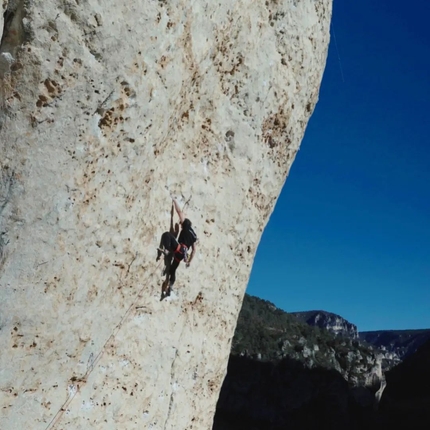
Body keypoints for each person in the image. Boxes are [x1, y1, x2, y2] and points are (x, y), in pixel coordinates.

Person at [156, 198, 198, 298]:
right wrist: (189, 261)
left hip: (178, 248)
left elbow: (179, 212)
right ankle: (170, 286)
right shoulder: (194, 236)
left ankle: (166, 250)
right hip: (181, 255)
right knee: (173, 270)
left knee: (166, 235)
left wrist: (174, 201)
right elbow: (194, 250)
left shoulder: (186, 226)